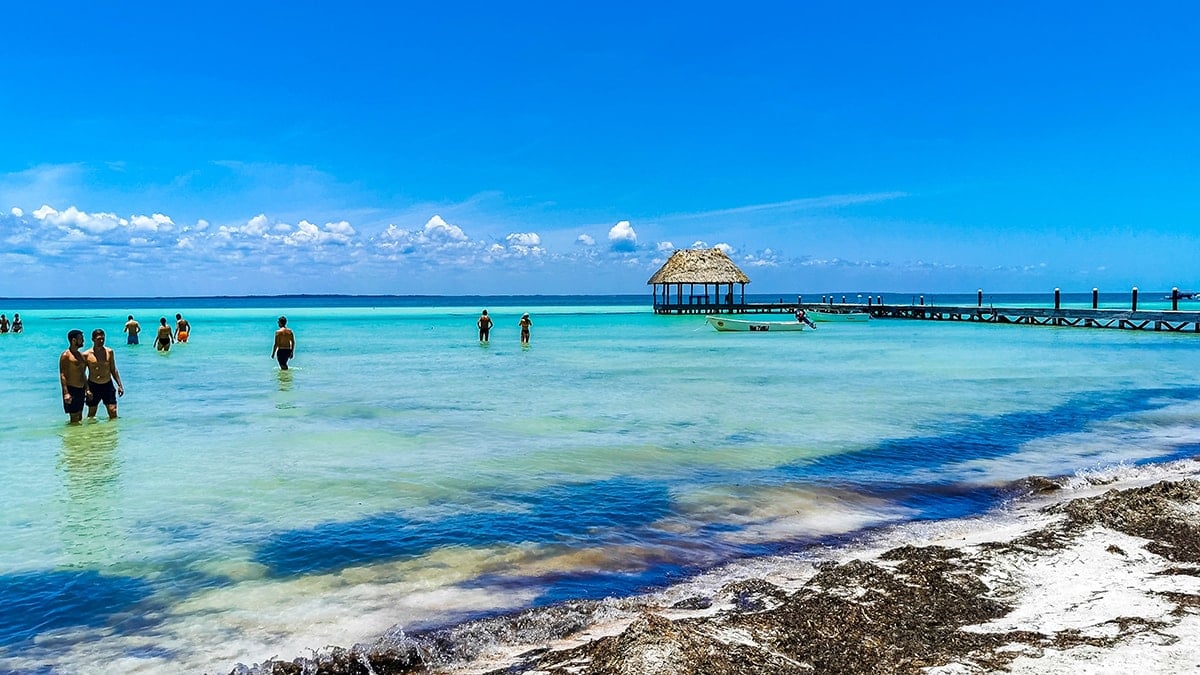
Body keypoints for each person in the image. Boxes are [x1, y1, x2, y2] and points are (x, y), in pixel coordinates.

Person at [85, 329, 124, 419]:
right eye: (99, 339)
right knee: (92, 413)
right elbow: (82, 374)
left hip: (107, 385)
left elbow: (113, 369)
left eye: (103, 339)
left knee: (113, 411)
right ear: (93, 339)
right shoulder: (86, 354)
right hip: (93, 385)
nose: (101, 341)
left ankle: (112, 432)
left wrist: (120, 385)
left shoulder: (109, 352)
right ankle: (91, 432)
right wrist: (87, 389)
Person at [60, 330, 89, 423]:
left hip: (80, 390)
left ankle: (77, 437)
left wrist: (87, 389)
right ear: (73, 340)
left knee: (80, 417)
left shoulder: (80, 355)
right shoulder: (66, 356)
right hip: (71, 389)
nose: (83, 341)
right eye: (81, 339)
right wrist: (66, 393)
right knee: (74, 418)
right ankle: (70, 437)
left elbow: (83, 374)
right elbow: (63, 375)